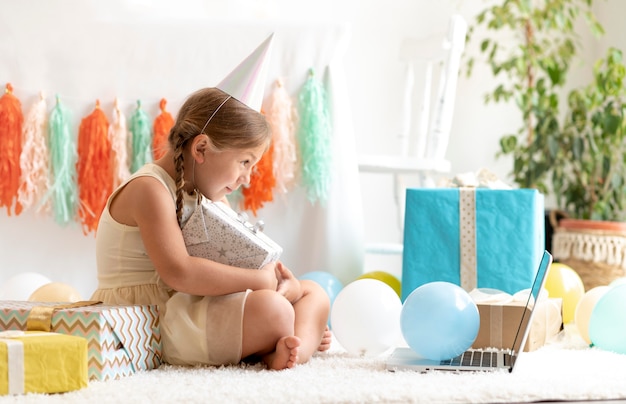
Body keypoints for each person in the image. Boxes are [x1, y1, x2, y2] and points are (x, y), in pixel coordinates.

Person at [91, 86, 332, 370]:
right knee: (275, 309)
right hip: (154, 318)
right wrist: (262, 283)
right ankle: (290, 339)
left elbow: (248, 255)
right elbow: (179, 273)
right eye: (244, 162)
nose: (247, 178)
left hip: (195, 304)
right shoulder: (150, 189)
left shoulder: (207, 193)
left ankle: (292, 346)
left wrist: (283, 282)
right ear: (201, 148)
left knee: (313, 292)